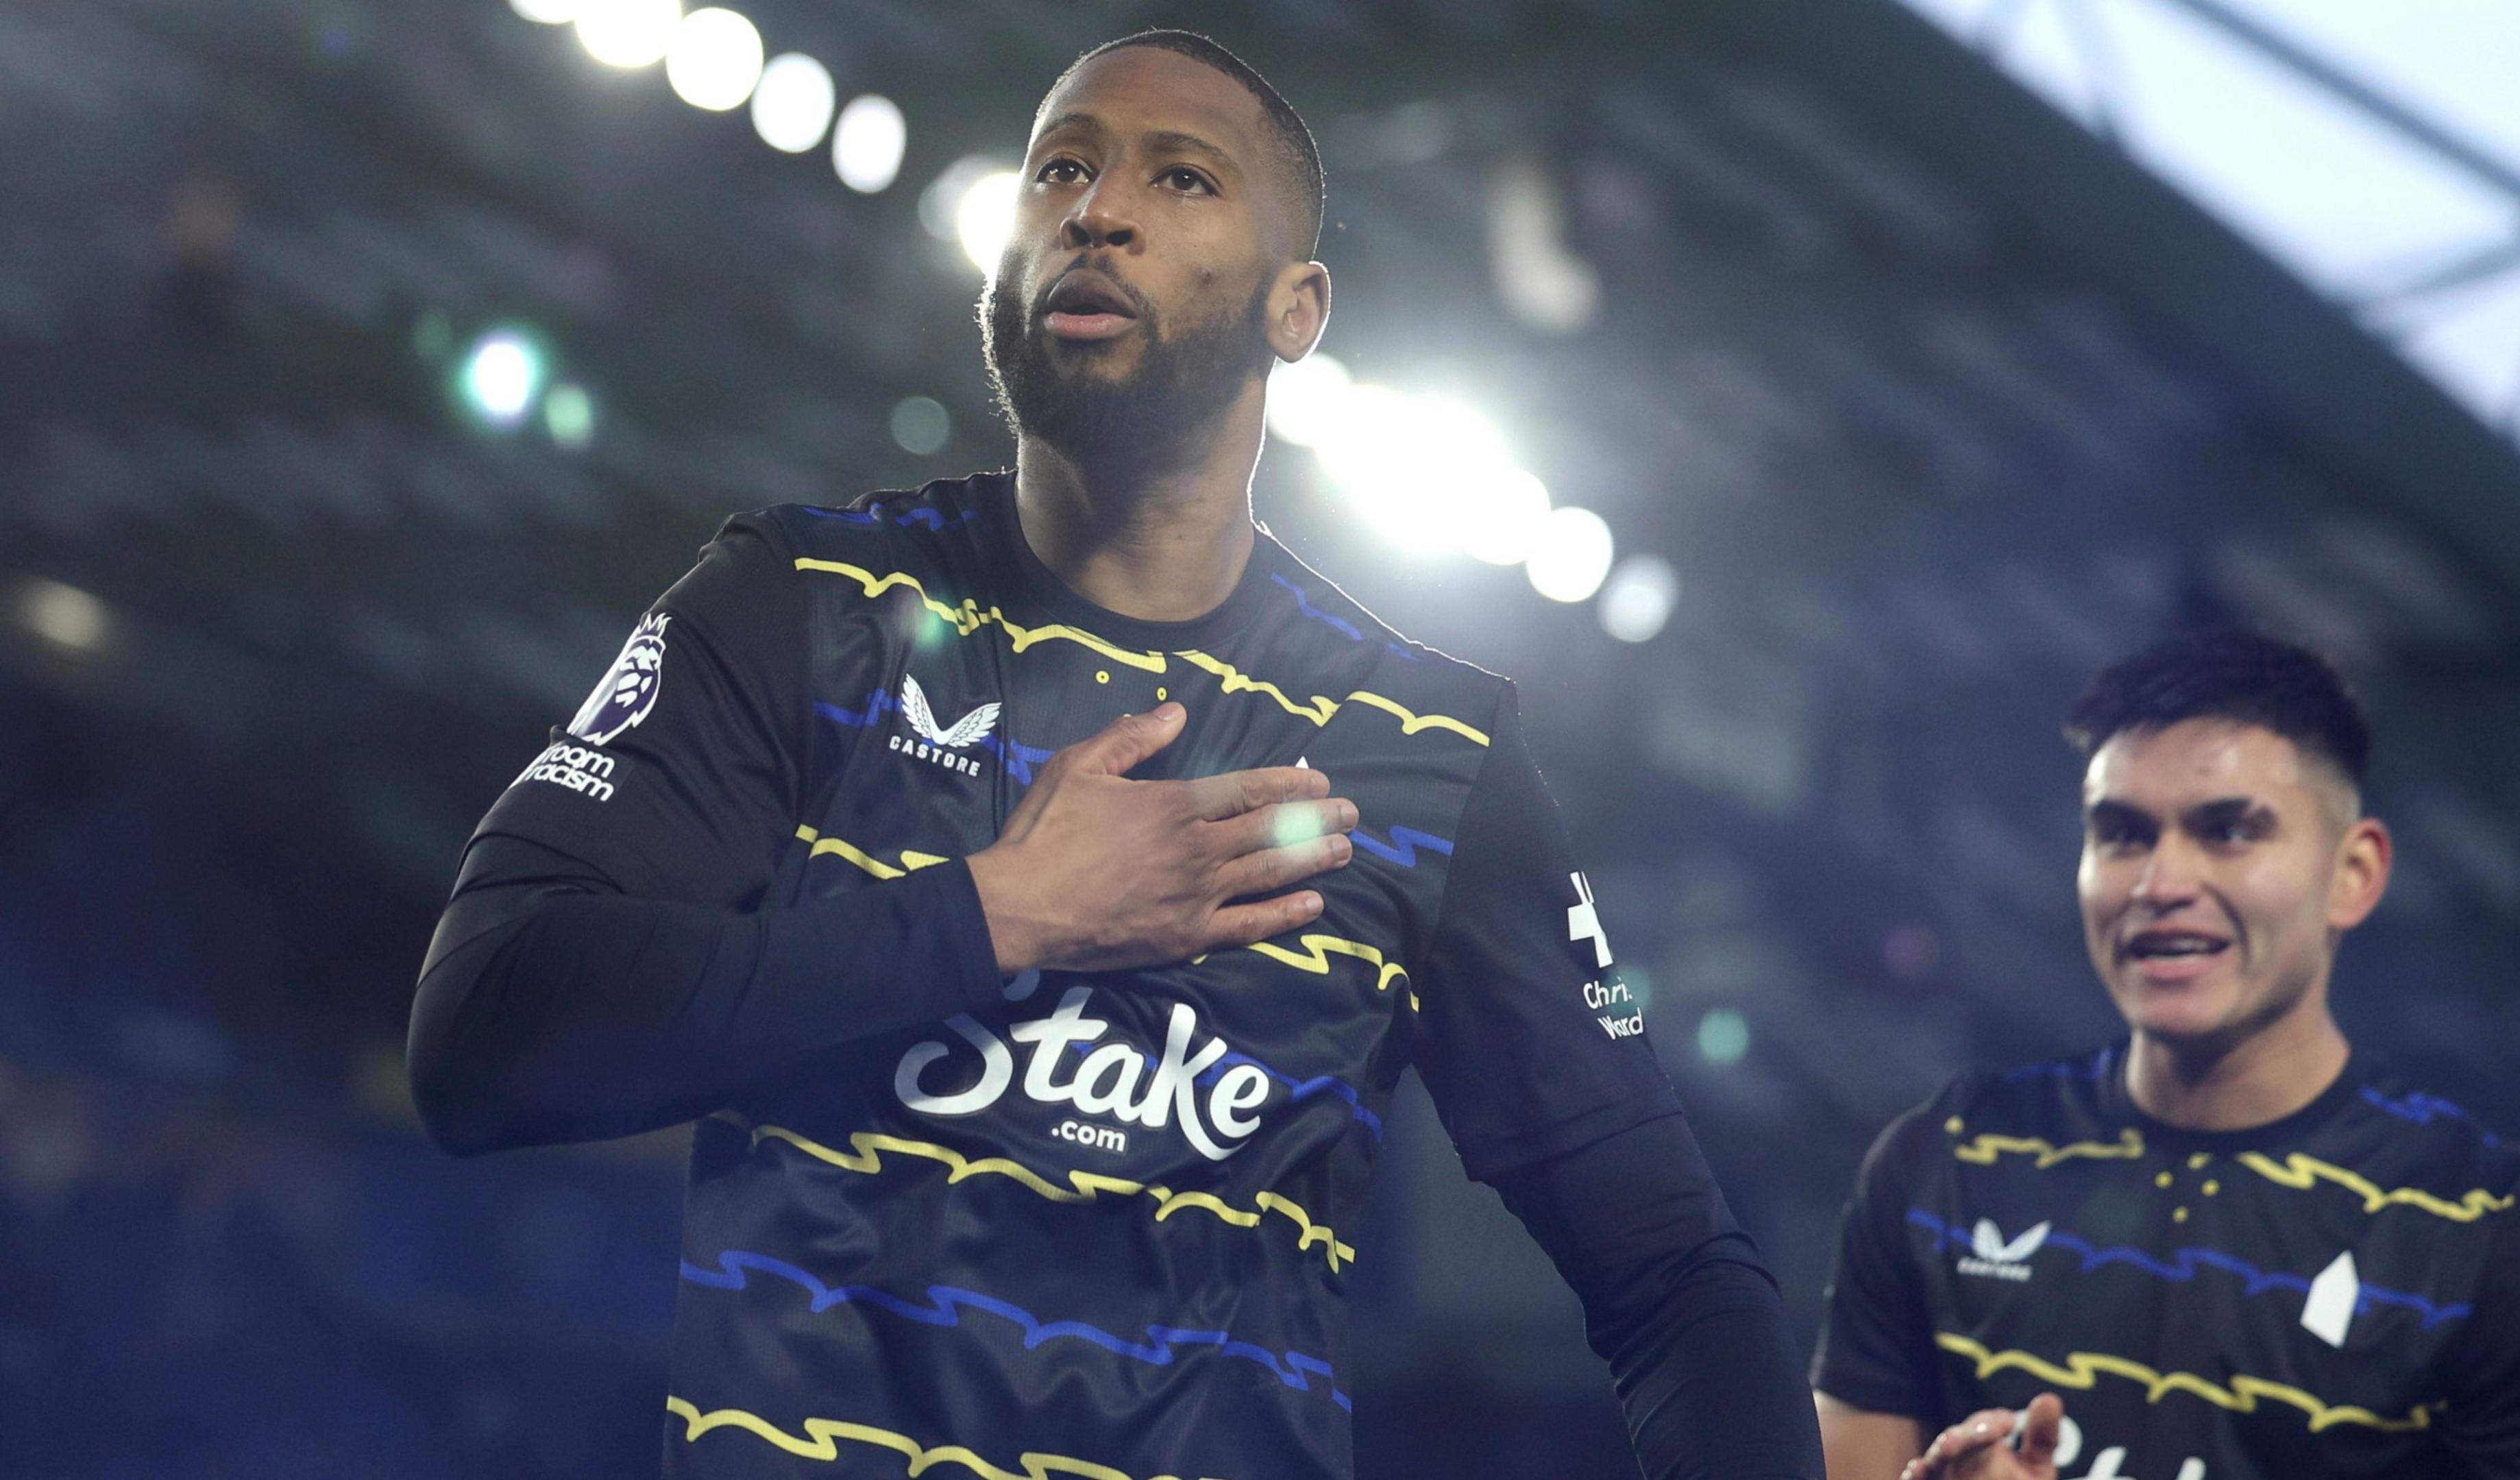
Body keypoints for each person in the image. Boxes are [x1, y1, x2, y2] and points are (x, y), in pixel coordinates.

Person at [407, 29, 1824, 1480]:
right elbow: (481, 1037)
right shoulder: (803, 608)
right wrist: (999, 914)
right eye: (1060, 167)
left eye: (1183, 178)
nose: (1098, 208)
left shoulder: (1432, 752)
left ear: (1297, 309)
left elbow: (1680, 1278)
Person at [1810, 631, 2520, 1480]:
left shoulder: (2497, 1233)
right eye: (2122, 833)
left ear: (2354, 872)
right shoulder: (1944, 1161)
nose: (2159, 882)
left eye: (2229, 830)